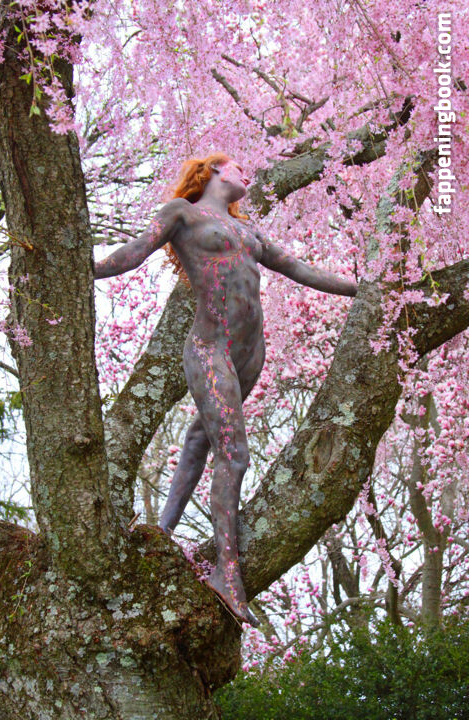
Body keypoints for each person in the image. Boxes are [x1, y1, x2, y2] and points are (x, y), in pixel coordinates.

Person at [94, 152, 357, 626]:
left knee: (202, 438)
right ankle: (225, 572)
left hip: (250, 355)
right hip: (209, 348)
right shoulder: (183, 213)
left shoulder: (249, 232)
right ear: (212, 170)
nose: (246, 172)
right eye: (237, 166)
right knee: (233, 456)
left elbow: (301, 269)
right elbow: (133, 252)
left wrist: (362, 288)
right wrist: (82, 267)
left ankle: (163, 530)